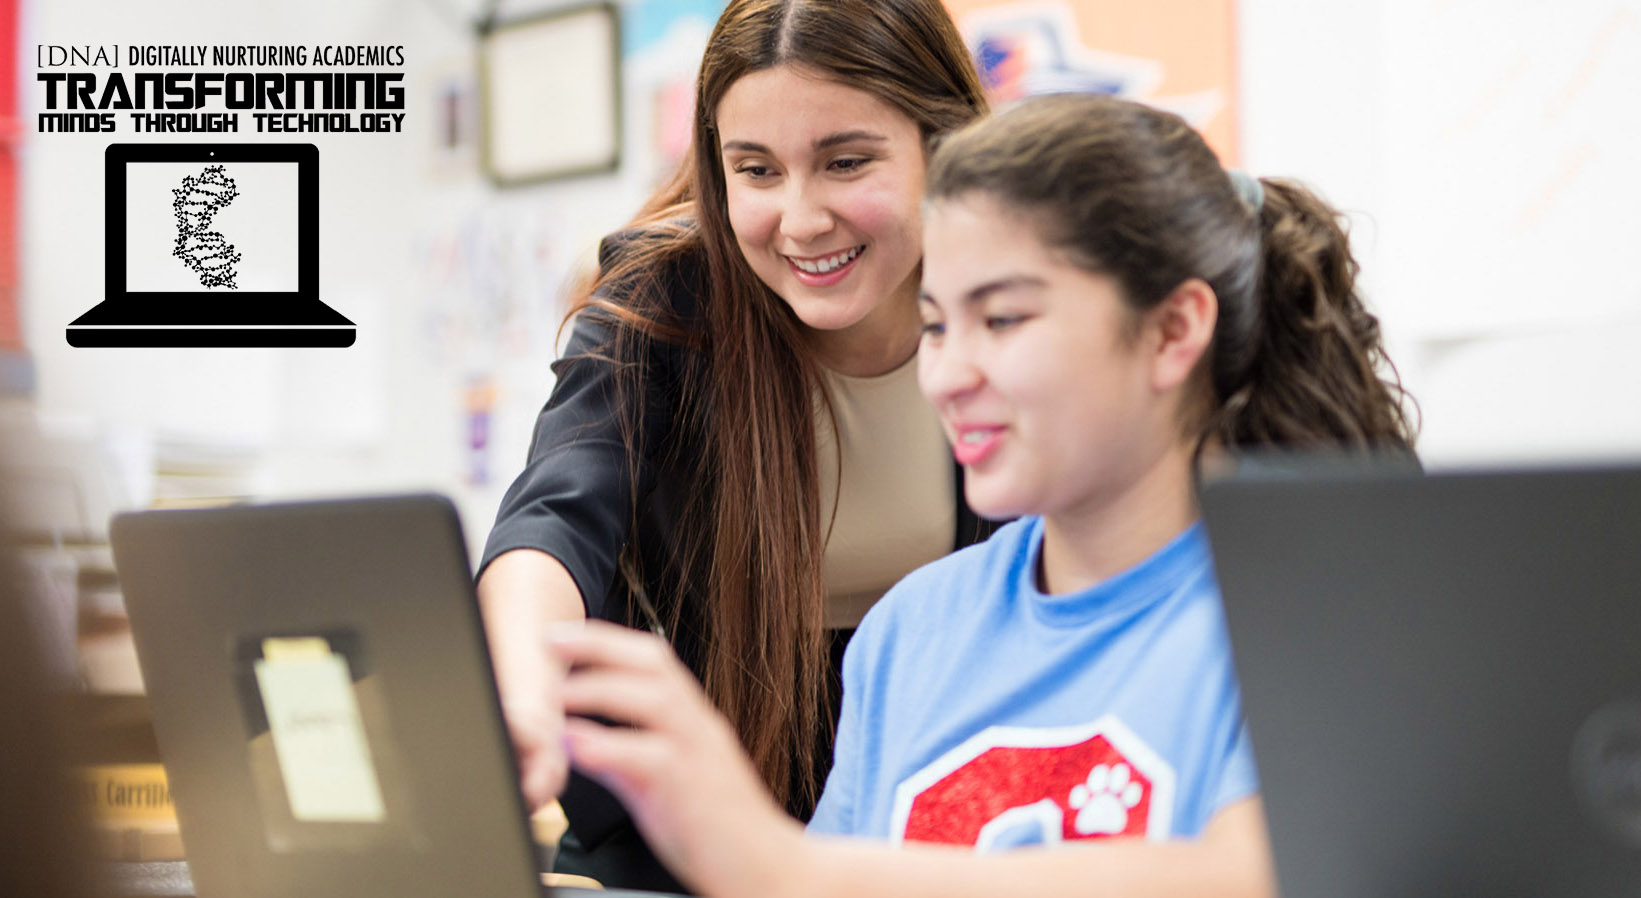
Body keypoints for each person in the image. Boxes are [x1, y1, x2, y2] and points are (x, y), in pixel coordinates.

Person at [548, 93, 1417, 898]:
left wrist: (777, 862)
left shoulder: (1311, 622)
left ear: (1172, 330)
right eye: (935, 325)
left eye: (1001, 319)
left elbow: (1263, 875)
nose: (948, 376)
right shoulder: (910, 631)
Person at [476, 0, 992, 888]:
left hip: (934, 835)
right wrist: (523, 695)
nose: (800, 219)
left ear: (939, 146)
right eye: (756, 170)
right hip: (672, 846)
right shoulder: (661, 300)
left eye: (845, 162)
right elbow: (557, 514)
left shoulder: (1015, 301)